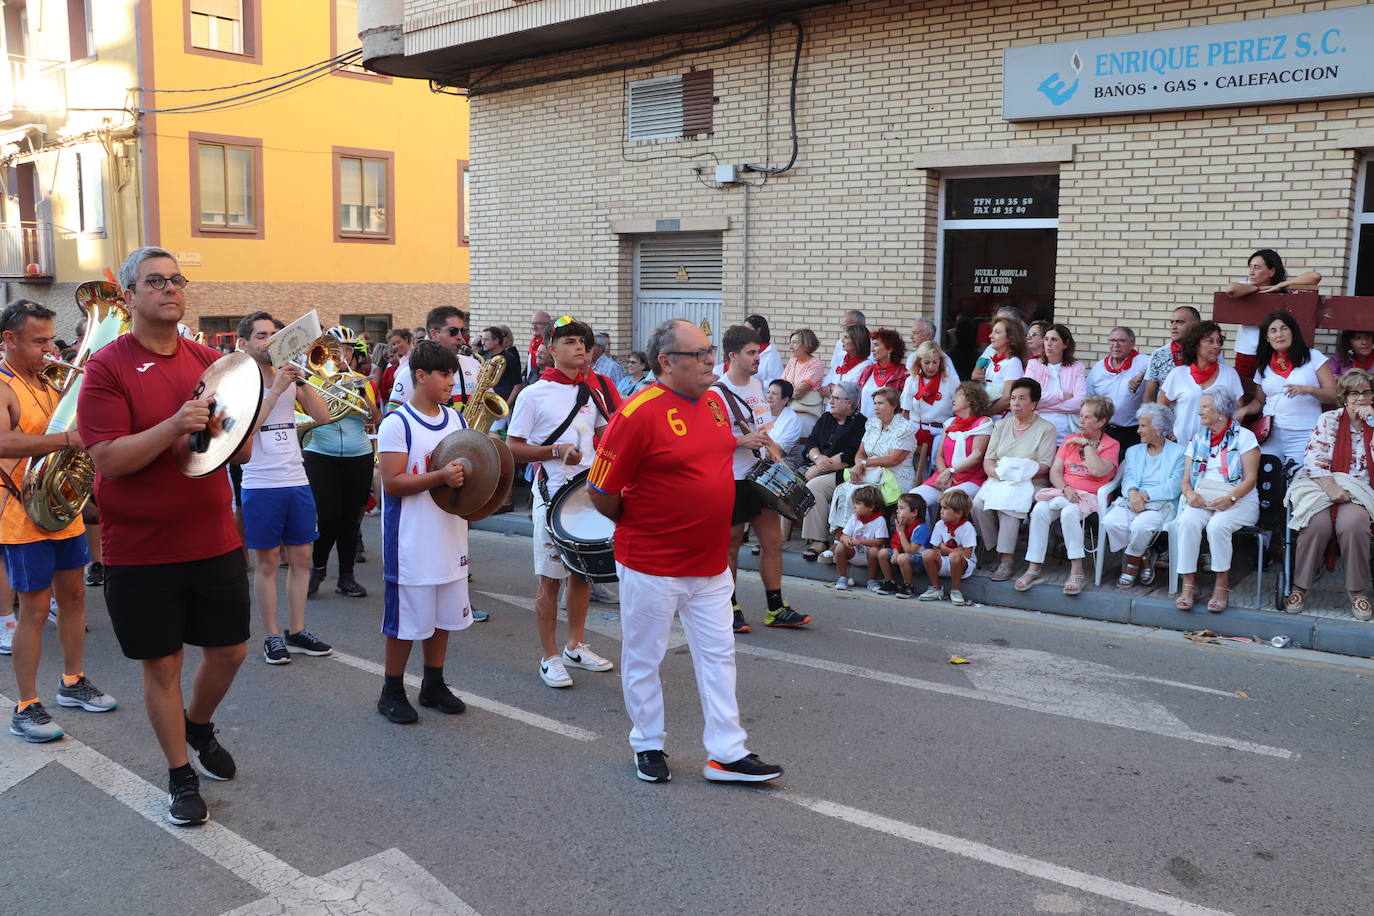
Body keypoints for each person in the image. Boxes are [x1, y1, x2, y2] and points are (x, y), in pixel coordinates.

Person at [78, 247, 253, 826]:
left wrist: (237, 420)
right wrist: (175, 424)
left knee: (230, 651)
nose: (170, 288)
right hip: (141, 551)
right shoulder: (106, 367)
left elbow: (239, 451)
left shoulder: (211, 362)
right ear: (128, 296)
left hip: (213, 539)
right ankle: (179, 774)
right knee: (163, 666)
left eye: (177, 279)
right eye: (156, 281)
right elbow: (108, 456)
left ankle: (197, 725)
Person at [587, 318, 784, 785]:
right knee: (644, 657)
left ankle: (727, 753)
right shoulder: (637, 414)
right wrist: (640, 524)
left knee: (719, 657)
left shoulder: (715, 402)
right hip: (652, 564)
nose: (709, 360)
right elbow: (600, 489)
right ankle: (648, 744)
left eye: (710, 350)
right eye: (698, 354)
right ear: (666, 362)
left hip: (711, 563)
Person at [1, 300, 114, 743]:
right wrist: (67, 438)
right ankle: (25, 705)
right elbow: (4, 441)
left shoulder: (51, 381)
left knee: (74, 599)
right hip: (21, 514)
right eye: (39, 341)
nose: (52, 349)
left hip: (60, 509)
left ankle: (73, 681)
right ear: (9, 340)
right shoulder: (4, 383)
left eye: (52, 339)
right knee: (32, 610)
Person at [506, 317, 617, 688]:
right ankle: (549, 655)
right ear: (551, 350)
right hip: (551, 496)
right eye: (570, 341)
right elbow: (513, 448)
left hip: (587, 496)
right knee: (550, 581)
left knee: (582, 575)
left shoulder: (594, 390)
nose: (580, 347)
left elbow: (604, 437)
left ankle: (575, 644)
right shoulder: (533, 394)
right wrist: (554, 450)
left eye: (583, 341)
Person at [374, 340, 473, 723]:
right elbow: (393, 482)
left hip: (450, 535)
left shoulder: (457, 420)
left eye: (453, 373)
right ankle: (392, 690)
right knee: (405, 622)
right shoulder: (397, 423)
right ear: (421, 376)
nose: (452, 381)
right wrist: (440, 476)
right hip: (410, 541)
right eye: (445, 374)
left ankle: (433, 684)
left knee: (444, 616)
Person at [236, 313, 335, 665]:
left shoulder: (288, 376)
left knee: (302, 557)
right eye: (261, 335)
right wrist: (275, 391)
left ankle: (297, 629)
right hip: (261, 481)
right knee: (267, 561)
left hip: (296, 477)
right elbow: (243, 430)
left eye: (275, 335)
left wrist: (301, 381)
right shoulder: (238, 381)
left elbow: (322, 417)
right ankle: (272, 635)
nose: (269, 340)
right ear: (244, 343)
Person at [715, 325, 811, 632]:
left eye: (758, 351)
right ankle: (728, 608)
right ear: (733, 356)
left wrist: (776, 455)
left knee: (773, 541)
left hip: (760, 477)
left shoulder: (758, 385)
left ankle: (776, 608)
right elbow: (707, 440)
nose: (759, 357)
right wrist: (740, 442)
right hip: (730, 479)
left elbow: (764, 429)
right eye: (751, 352)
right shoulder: (715, 393)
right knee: (729, 546)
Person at [1284, 369, 1374, 620]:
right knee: (1315, 524)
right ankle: (1300, 587)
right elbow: (1313, 461)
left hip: (1360, 491)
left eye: (1366, 392)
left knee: (1354, 524)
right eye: (1354, 393)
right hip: (1323, 485)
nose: (1361, 398)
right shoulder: (1329, 420)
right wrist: (1332, 488)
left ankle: (1357, 592)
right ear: (1344, 397)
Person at [1014, 396, 1121, 596]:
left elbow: (1098, 471)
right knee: (1039, 511)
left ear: (1101, 422)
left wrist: (1087, 445)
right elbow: (1055, 472)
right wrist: (1065, 488)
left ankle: (1077, 571)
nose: (1081, 420)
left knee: (1069, 513)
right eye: (1081, 416)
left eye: (1087, 417)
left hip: (1091, 497)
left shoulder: (1111, 445)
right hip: (1064, 492)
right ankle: (1033, 568)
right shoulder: (1069, 440)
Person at [305, 339, 381, 600]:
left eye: (344, 352)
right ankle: (318, 569)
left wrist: (359, 394)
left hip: (357, 453)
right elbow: (305, 418)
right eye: (331, 353)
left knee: (350, 519)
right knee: (326, 518)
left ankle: (346, 577)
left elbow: (374, 418)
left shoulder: (361, 381)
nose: (338, 357)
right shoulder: (310, 382)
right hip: (320, 452)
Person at [1174, 386, 1261, 613]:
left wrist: (1230, 497)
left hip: (1241, 500)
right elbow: (1185, 481)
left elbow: (1251, 480)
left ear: (1221, 411)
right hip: (1204, 499)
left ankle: (1221, 586)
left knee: (1217, 525)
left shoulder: (1245, 437)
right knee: (1187, 522)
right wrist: (1190, 494)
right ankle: (1189, 585)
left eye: (1204, 407)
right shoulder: (1197, 439)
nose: (1199, 412)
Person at [970, 377, 1057, 581]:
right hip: (1000, 478)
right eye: (1013, 399)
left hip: (1030, 481)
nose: (1015, 404)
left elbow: (1044, 465)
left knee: (1010, 505)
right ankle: (994, 549)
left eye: (1022, 399)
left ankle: (1007, 559)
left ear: (1034, 403)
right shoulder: (1001, 425)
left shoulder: (1046, 428)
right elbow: (989, 459)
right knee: (977, 504)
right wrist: (998, 473)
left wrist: (1017, 473)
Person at [1233, 311, 1337, 467]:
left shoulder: (1312, 357)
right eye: (1273, 331)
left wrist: (1309, 390)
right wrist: (1244, 410)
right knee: (1267, 480)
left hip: (1303, 433)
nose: (1279, 334)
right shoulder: (1264, 364)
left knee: (1298, 479)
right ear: (1267, 338)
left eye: (1284, 328)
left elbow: (1333, 395)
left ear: (1293, 332)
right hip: (1270, 434)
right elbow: (1259, 401)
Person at [1103, 403, 1185, 588]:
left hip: (1162, 503)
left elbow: (1174, 486)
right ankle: (1145, 555)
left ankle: (1131, 566)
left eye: (1143, 426)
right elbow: (1128, 477)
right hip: (1132, 501)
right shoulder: (1133, 451)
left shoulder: (1179, 452)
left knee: (1140, 526)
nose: (1138, 430)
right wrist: (1133, 494)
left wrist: (1144, 496)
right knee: (1111, 522)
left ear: (1160, 428)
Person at [1224, 249, 1322, 382]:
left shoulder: (1282, 288)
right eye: (1250, 267)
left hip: (1273, 351)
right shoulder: (1247, 285)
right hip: (1247, 352)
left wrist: (1281, 285)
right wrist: (1258, 289)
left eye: (1257, 267)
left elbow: (1315, 276)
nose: (1251, 272)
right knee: (1243, 387)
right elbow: (1231, 289)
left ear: (1272, 271)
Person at [825, 387, 915, 532]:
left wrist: (864, 464)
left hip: (894, 478)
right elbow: (861, 452)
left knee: (853, 494)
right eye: (874, 403)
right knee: (843, 490)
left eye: (881, 403)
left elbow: (893, 460)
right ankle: (840, 539)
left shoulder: (905, 428)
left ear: (893, 405)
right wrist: (860, 464)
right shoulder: (873, 424)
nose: (876, 407)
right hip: (870, 474)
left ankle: (855, 537)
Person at [799, 382, 866, 561]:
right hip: (816, 465)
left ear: (850, 403)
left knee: (814, 486)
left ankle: (818, 540)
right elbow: (811, 444)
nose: (831, 401)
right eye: (832, 397)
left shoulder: (861, 423)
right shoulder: (826, 418)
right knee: (787, 483)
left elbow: (849, 456)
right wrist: (817, 459)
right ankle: (779, 538)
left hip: (842, 473)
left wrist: (818, 468)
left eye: (835, 398)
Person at [910, 381, 993, 519]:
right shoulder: (950, 423)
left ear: (971, 399)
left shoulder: (983, 422)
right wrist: (945, 473)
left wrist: (951, 471)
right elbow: (939, 456)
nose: (953, 399)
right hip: (945, 477)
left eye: (958, 395)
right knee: (913, 500)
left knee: (949, 501)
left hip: (970, 479)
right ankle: (923, 538)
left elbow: (976, 455)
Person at [1159, 321, 1243, 447]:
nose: (1216, 346)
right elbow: (1162, 406)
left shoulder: (1229, 374)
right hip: (1181, 447)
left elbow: (1239, 409)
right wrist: (1168, 431)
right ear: (1196, 345)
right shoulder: (1178, 374)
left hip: (1219, 448)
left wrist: (1228, 434)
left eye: (1219, 342)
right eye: (1210, 341)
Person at [387, 306, 481, 415]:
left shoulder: (474, 364)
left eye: (462, 331)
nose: (460, 337)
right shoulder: (408, 373)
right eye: (453, 331)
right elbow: (394, 415)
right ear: (434, 334)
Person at [901, 340, 958, 471]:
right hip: (916, 428)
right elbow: (905, 412)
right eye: (927, 362)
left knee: (936, 461)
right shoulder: (912, 380)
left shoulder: (950, 381)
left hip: (941, 431)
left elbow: (959, 409)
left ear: (940, 362)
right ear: (919, 362)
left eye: (935, 362)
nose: (931, 367)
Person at [1088, 326, 1147, 451]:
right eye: (1112, 340)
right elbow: (1089, 400)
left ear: (1132, 343)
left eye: (1121, 341)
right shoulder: (1098, 368)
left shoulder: (1143, 362)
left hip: (1134, 431)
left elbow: (1160, 368)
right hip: (1105, 430)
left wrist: (1142, 375)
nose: (1116, 345)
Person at [1024, 323, 1085, 442]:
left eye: (1054, 340)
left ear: (1065, 344)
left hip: (1067, 433)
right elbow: (1029, 398)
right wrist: (1061, 396)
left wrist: (1043, 404)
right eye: (1046, 339)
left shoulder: (1077, 367)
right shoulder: (1034, 365)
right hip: (1037, 431)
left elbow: (1079, 403)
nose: (1048, 344)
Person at [919, 489, 977, 606]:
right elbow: (935, 548)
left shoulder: (967, 527)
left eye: (945, 508)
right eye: (941, 508)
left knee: (955, 556)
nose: (941, 512)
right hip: (944, 562)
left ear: (958, 513)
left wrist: (947, 550)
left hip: (963, 565)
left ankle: (955, 590)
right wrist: (955, 550)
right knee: (927, 553)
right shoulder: (939, 525)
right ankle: (936, 588)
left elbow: (967, 554)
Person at [831, 485, 888, 591]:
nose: (854, 507)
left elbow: (879, 541)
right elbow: (844, 535)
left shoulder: (880, 520)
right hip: (855, 553)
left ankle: (871, 580)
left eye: (858, 503)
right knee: (840, 547)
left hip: (870, 556)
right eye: (854, 503)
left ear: (871, 507)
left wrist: (861, 541)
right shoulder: (854, 518)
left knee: (874, 551)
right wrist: (847, 540)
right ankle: (843, 577)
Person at [874, 492, 930, 598]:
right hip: (903, 557)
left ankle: (908, 586)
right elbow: (895, 542)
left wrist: (901, 532)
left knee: (903, 557)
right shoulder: (903, 525)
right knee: (883, 553)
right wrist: (895, 552)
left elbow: (911, 551)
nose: (897, 511)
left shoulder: (921, 528)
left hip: (919, 561)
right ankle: (890, 582)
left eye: (901, 508)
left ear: (914, 512)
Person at [1142, 306, 1199, 404]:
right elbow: (1149, 397)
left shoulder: (1207, 352)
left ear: (1196, 325)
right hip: (1165, 417)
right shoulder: (1158, 354)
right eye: (1172, 322)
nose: (1173, 327)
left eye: (1180, 322)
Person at [971, 316, 1025, 415]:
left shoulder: (1013, 362)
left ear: (1010, 337)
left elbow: (1008, 397)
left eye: (997, 332)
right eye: (992, 331)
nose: (991, 336)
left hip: (1002, 419)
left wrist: (986, 413)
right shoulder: (993, 361)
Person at [782, 328, 826, 437]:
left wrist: (787, 391)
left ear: (806, 344)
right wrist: (790, 389)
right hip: (788, 413)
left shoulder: (815, 364)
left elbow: (798, 392)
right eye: (790, 342)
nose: (790, 347)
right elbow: (780, 387)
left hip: (806, 417)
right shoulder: (793, 361)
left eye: (795, 343)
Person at [856, 328, 908, 418]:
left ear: (890, 348)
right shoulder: (867, 371)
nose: (872, 349)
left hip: (889, 428)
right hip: (864, 428)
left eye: (876, 345)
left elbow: (905, 407)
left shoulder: (903, 374)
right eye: (872, 345)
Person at [820, 323, 872, 399]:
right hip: (831, 409)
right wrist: (838, 392)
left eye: (846, 337)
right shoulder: (840, 360)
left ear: (857, 341)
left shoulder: (867, 366)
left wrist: (832, 388)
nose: (842, 340)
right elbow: (822, 389)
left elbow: (853, 395)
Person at [762, 379, 804, 467]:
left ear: (785, 400)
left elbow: (778, 453)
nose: (769, 396)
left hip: (782, 468)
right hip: (759, 461)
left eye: (774, 393)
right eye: (768, 392)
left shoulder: (792, 419)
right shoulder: (760, 412)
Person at [745, 314, 783, 385]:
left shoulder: (772, 354)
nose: (744, 333)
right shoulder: (744, 350)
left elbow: (776, 381)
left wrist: (757, 383)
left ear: (758, 331)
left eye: (747, 330)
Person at [380, 328, 412, 407]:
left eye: (398, 342)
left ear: (406, 339)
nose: (397, 346)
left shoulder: (414, 355)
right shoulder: (402, 359)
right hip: (401, 400)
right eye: (394, 344)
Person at [525, 311, 551, 386]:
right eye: (533, 323)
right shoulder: (533, 342)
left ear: (548, 325)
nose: (534, 327)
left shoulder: (550, 344)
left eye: (539, 323)